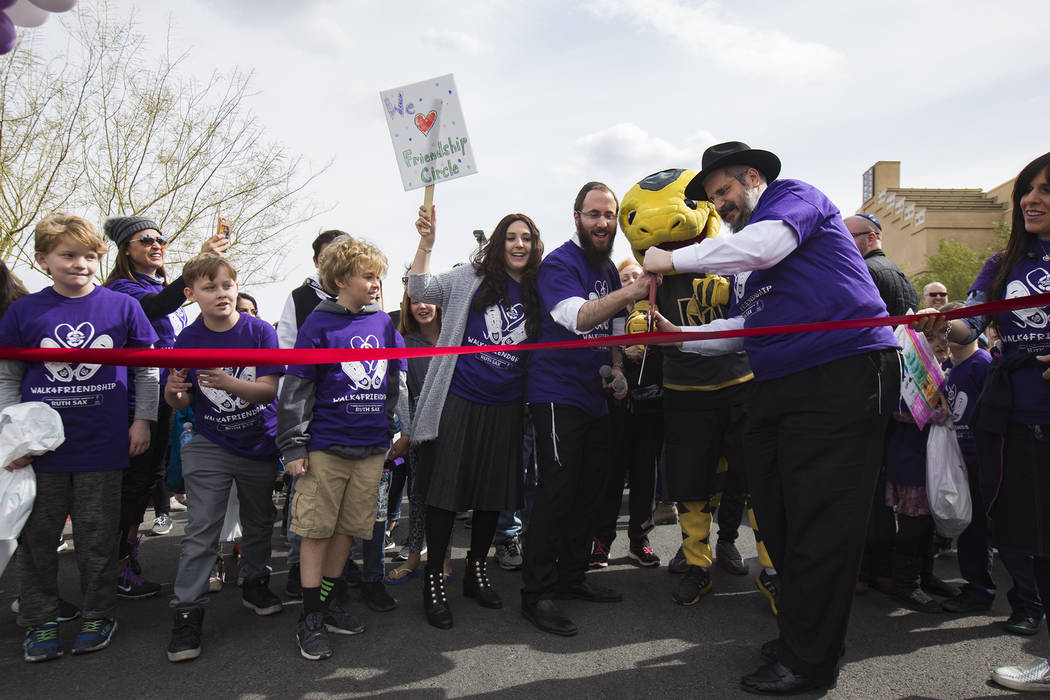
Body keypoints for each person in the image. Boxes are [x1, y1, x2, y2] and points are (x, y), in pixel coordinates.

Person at [645, 142, 901, 694]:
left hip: (842, 377)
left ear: (754, 178)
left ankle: (808, 661)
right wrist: (680, 337)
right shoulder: (752, 266)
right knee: (780, 514)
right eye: (714, 199)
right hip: (781, 390)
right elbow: (742, 330)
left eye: (724, 192)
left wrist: (672, 259)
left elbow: (761, 248)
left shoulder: (793, 201)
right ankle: (802, 636)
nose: (722, 205)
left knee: (820, 522)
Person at [914, 152, 1050, 692]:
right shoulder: (1001, 263)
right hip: (1012, 421)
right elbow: (971, 312)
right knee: (1019, 531)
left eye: (1046, 190)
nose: (1032, 199)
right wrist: (940, 318)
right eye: (1028, 189)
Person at [0, 213, 159, 662]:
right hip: (40, 452)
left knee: (97, 537)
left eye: (90, 255)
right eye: (67, 255)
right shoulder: (23, 311)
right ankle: (40, 618)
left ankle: (98, 612)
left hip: (102, 444)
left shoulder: (122, 307)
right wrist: (12, 436)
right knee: (38, 538)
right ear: (42, 259)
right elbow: (7, 377)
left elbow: (146, 370)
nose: (80, 264)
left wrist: (142, 420)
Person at [521, 181, 654, 637]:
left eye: (610, 215)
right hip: (556, 394)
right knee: (557, 492)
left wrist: (617, 367)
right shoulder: (559, 263)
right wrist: (632, 292)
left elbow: (613, 327)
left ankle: (573, 578)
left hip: (596, 396)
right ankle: (536, 595)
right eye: (594, 214)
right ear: (577, 217)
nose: (603, 223)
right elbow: (578, 318)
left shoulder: (605, 267)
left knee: (591, 494)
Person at [408, 206, 543, 629]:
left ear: (535, 246)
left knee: (492, 495)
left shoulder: (541, 289)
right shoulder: (471, 277)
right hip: (459, 399)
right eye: (511, 237)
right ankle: (434, 580)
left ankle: (477, 570)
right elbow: (420, 289)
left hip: (507, 407)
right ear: (499, 243)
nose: (518, 244)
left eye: (526, 238)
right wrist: (426, 244)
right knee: (444, 494)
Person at [276, 234, 399, 661]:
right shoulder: (318, 324)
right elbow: (296, 388)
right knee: (315, 532)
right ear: (342, 278)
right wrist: (293, 446)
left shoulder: (383, 324)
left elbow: (392, 383)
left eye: (378, 277)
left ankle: (327, 604)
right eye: (368, 276)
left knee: (349, 529)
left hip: (370, 450)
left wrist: (389, 430)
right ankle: (309, 615)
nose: (376, 284)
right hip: (326, 447)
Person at [162, 253, 284, 662]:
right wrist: (177, 391)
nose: (221, 294)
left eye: (227, 285)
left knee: (259, 520)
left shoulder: (260, 331)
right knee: (201, 529)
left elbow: (269, 391)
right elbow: (178, 400)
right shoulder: (188, 340)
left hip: (259, 444)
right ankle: (187, 611)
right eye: (209, 287)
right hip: (209, 443)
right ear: (191, 294)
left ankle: (255, 582)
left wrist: (229, 381)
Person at [103, 215, 229, 599]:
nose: (157, 245)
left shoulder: (157, 284)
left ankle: (126, 559)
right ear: (127, 248)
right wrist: (199, 262)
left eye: (162, 239)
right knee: (132, 484)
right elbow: (155, 307)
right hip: (133, 401)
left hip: (164, 395)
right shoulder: (122, 288)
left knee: (147, 480)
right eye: (145, 239)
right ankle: (117, 568)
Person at [937, 302, 1043, 633]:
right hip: (963, 460)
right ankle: (978, 589)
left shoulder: (984, 365)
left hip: (990, 458)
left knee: (1010, 536)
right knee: (973, 531)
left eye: (958, 326)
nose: (951, 333)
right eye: (947, 328)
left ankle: (1028, 603)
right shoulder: (955, 369)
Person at [275, 229, 342, 598]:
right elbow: (288, 359)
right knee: (307, 494)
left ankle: (335, 576)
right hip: (310, 414)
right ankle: (297, 569)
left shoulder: (365, 301)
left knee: (342, 503)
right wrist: (291, 430)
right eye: (330, 255)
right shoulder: (300, 299)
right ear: (317, 261)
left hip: (348, 416)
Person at [589, 260, 662, 570]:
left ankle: (639, 540)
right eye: (626, 276)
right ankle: (601, 541)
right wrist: (621, 353)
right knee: (610, 477)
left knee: (646, 477)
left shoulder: (656, 311)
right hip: (615, 408)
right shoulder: (610, 310)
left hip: (650, 405)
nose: (633, 280)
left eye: (638, 275)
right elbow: (598, 348)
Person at [385, 292, 452, 584]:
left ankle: (444, 559)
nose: (421, 306)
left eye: (426, 300)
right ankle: (414, 557)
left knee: (445, 500)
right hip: (417, 432)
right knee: (418, 497)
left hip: (452, 428)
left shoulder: (455, 336)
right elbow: (403, 393)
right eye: (414, 302)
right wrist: (409, 433)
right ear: (406, 307)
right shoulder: (405, 341)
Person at [846, 213, 920, 317]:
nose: (841, 242)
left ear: (871, 238)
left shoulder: (862, 271)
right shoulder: (903, 277)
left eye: (847, 236)